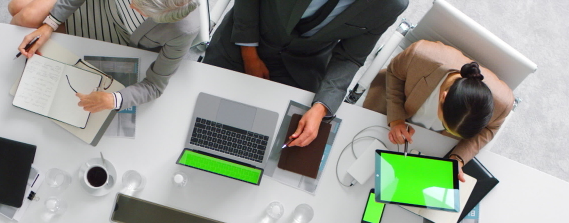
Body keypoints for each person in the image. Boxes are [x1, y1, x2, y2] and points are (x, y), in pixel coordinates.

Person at [202, 0, 409, 148]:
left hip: (301, 64)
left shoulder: (391, 4)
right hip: (246, 39)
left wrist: (321, 107)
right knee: (204, 117)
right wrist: (250, 56)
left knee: (274, 145)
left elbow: (349, 57)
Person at [12, 0, 200, 113]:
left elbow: (155, 85)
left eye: (141, 11)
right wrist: (50, 24)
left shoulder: (184, 29)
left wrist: (113, 100)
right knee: (20, 12)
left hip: (114, 38)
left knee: (24, 19)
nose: (131, 5)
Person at [363, 40, 514, 179]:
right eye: (446, 125)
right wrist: (396, 119)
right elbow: (394, 73)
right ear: (443, 97)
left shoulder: (502, 104)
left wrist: (458, 159)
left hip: (436, 145)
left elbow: (489, 129)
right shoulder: (419, 55)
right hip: (391, 111)